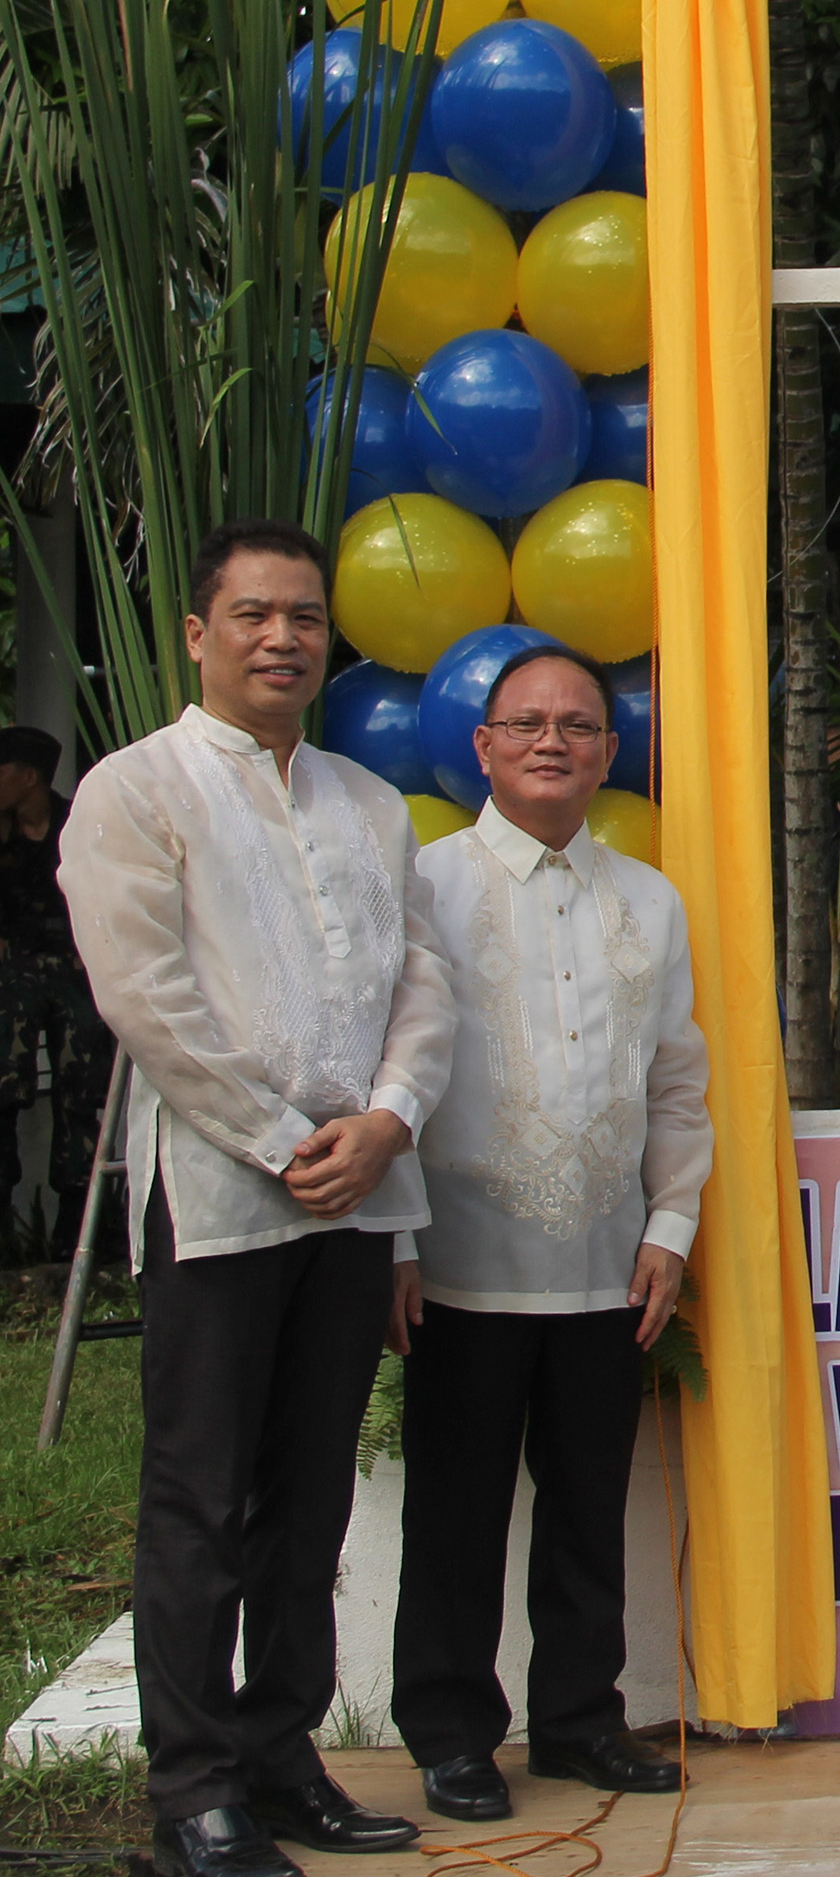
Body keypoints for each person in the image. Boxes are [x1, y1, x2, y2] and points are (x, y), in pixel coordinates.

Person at [58, 521, 454, 1877]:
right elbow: (149, 1003)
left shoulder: (367, 800)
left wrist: (389, 1121)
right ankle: (194, 1791)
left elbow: (424, 985)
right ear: (198, 633)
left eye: (303, 618)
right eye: (254, 615)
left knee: (311, 1499)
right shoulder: (135, 790)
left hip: (353, 1204)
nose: (283, 638)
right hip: (224, 1205)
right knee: (201, 1496)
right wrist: (298, 1141)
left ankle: (285, 1762)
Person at [387, 645, 711, 1824]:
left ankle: (578, 1721)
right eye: (526, 722)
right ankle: (451, 1733)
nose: (552, 741)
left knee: (587, 1507)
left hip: (606, 1261)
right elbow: (387, 1077)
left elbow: (677, 1079)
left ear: (608, 753)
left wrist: (670, 1222)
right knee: (458, 1512)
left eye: (579, 724)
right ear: (482, 745)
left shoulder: (649, 899)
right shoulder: (422, 884)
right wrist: (393, 1243)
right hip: (459, 1262)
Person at [0, 726, 109, 1252]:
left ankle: (79, 1229)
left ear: (28, 777)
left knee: (83, 1092)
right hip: (10, 980)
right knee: (4, 1092)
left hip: (75, 975)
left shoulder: (78, 825)